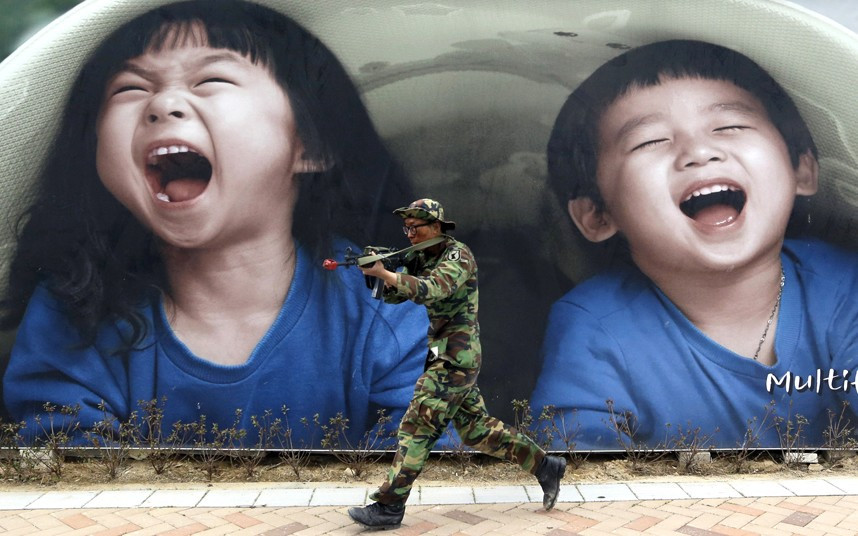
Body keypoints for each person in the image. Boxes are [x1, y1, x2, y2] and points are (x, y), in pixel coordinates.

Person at [0, 0, 429, 447]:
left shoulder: (387, 306)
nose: (162, 104)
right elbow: (73, 486)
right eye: (129, 88)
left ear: (312, 144)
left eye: (212, 79)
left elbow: (426, 475)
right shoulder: (74, 311)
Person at [531, 39, 858, 451]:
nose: (699, 152)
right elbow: (573, 472)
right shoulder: (595, 327)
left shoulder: (845, 287)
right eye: (649, 141)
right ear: (598, 215)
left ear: (801, 169)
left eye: (730, 127)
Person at [348, 198, 566, 530]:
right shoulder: (422, 255)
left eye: (415, 227)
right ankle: (546, 466)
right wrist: (374, 274)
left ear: (435, 226)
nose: (409, 234)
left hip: (456, 357)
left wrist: (388, 274)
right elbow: (397, 295)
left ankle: (389, 506)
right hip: (445, 354)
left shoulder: (457, 255)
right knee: (476, 431)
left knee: (417, 425)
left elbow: (432, 289)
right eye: (405, 228)